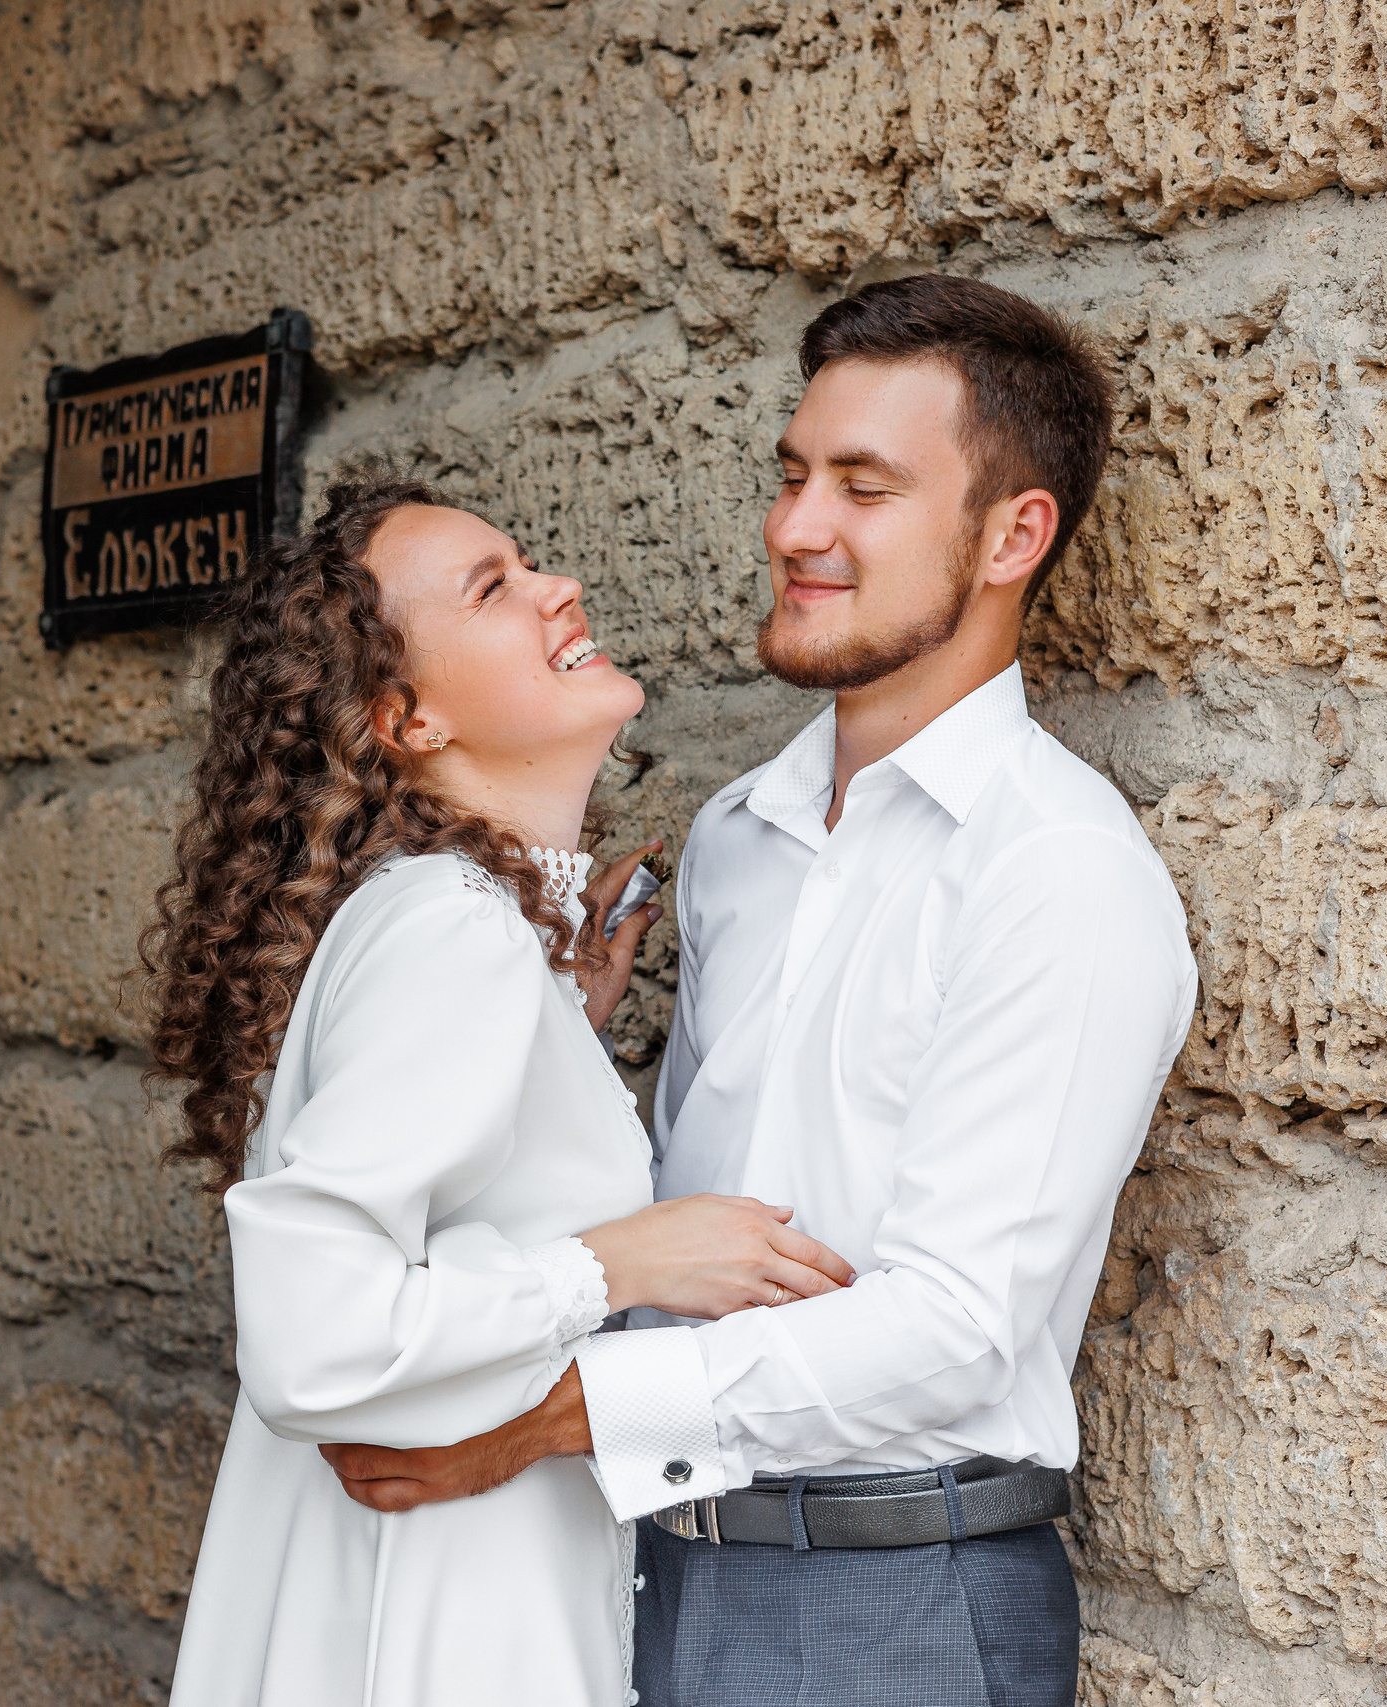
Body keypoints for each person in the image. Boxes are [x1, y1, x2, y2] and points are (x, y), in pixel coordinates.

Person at [320, 275, 1200, 1707]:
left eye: (864, 487)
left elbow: (958, 1321)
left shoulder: (1060, 872)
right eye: (794, 474)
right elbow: (677, 1217)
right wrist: (549, 1045)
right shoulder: (733, 837)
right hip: (654, 1567)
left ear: (1011, 534)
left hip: (895, 1600)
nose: (796, 527)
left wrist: (555, 1415)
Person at [150, 476, 858, 1707]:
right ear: (405, 718)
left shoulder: (462, 927)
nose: (555, 589)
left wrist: (557, 1027)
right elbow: (313, 1339)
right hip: (442, 1612)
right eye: (493, 589)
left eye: (525, 561)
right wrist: (626, 1261)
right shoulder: (450, 926)